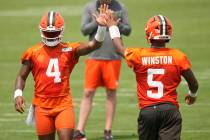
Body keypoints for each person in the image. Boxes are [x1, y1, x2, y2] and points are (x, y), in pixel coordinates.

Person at [14, 5, 109, 140]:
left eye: (54, 33)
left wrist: (101, 27)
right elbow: (21, 76)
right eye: (48, 33)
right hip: (42, 107)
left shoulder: (69, 50)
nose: (51, 36)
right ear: (42, 31)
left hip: (63, 105)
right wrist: (18, 94)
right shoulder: (33, 52)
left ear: (61, 31)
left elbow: (94, 45)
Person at [105, 12, 199, 140]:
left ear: (148, 34)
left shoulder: (139, 55)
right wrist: (192, 95)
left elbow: (119, 48)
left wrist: (112, 27)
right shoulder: (178, 56)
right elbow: (193, 83)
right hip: (169, 110)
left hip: (147, 111)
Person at [74, 0, 131, 140]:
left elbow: (128, 30)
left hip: (113, 57)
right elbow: (84, 30)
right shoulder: (89, 7)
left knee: (111, 92)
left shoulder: (120, 7)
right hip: (94, 56)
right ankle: (80, 130)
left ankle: (108, 131)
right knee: (88, 92)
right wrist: (99, 20)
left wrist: (115, 23)